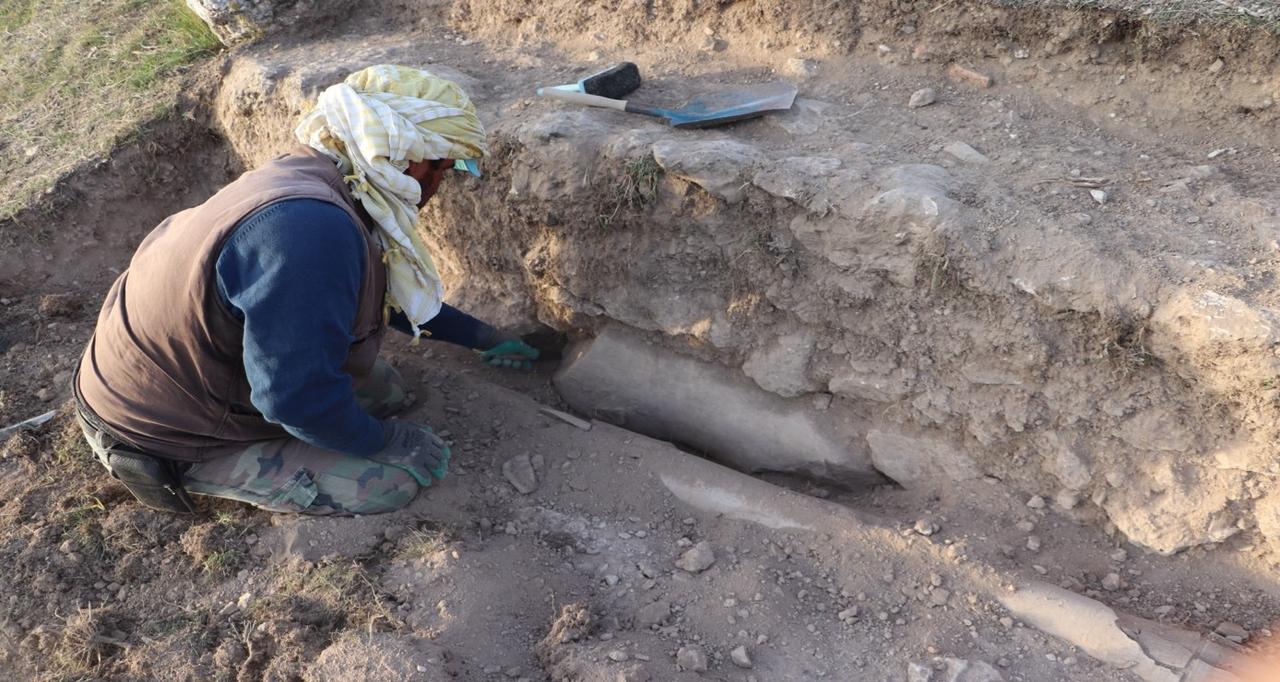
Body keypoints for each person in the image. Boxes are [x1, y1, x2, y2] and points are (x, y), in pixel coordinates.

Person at [73, 65, 537, 516]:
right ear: (402, 156)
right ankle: (195, 465)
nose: (438, 184)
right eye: (441, 167)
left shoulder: (329, 180)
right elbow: (293, 399)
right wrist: (386, 442)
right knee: (386, 483)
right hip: (159, 424)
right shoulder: (310, 230)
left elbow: (379, 291)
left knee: (387, 390)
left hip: (194, 373)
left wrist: (482, 338)